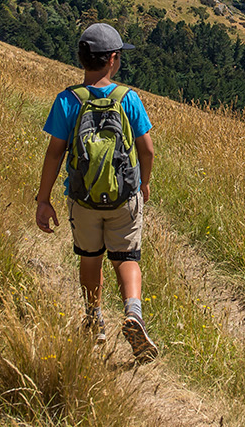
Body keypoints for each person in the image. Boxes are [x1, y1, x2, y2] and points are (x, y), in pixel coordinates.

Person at [35, 22, 159, 362]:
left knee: (90, 258)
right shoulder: (129, 99)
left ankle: (94, 319)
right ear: (114, 60)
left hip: (84, 198)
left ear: (82, 59)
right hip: (124, 197)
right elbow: (146, 149)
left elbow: (54, 153)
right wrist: (143, 182)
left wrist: (44, 199)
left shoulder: (67, 100)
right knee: (127, 257)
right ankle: (133, 312)